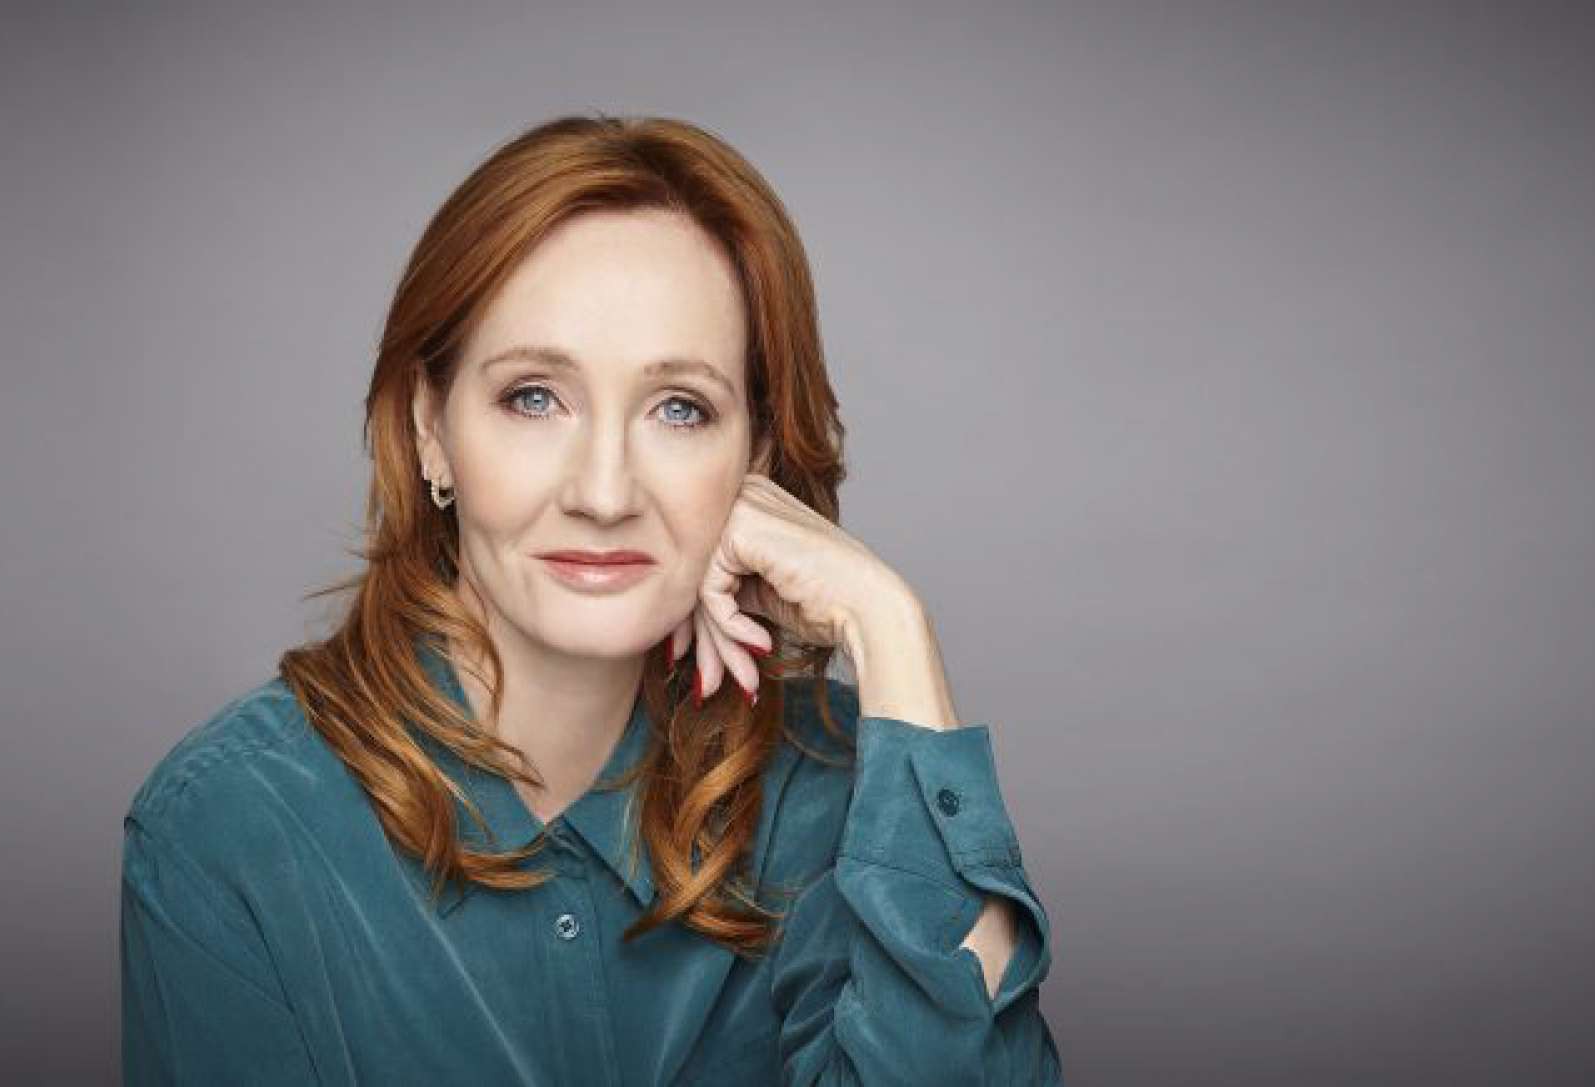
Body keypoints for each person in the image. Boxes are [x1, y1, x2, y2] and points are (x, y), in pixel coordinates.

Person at [119, 113, 1063, 1085]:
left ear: (755, 457)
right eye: (534, 396)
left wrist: (889, 624)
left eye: (679, 408)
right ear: (431, 428)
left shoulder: (833, 792)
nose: (604, 494)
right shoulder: (231, 827)